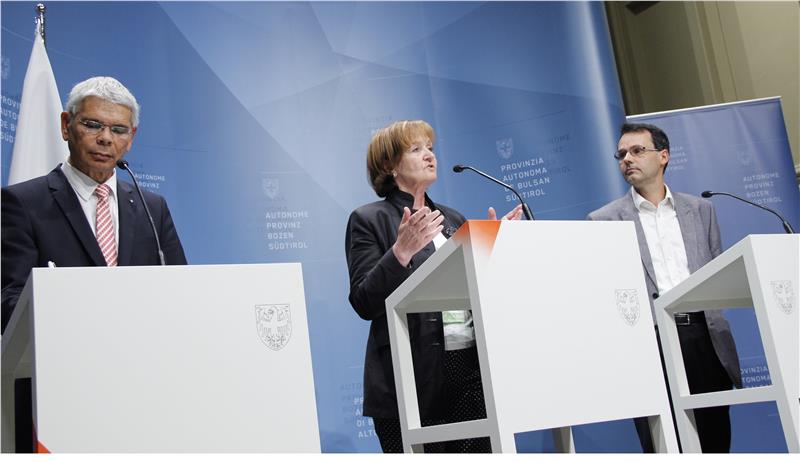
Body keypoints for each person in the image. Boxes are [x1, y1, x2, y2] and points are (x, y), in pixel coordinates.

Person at [345, 120, 522, 453]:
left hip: (469, 374)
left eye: (430, 148)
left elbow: (474, 288)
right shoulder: (369, 220)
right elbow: (364, 301)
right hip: (411, 380)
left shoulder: (452, 219)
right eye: (416, 149)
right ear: (389, 165)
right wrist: (400, 252)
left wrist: (494, 248)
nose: (429, 155)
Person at [587, 123, 742, 453]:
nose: (627, 159)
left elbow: (715, 269)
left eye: (637, 150)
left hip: (703, 338)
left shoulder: (700, 210)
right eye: (621, 154)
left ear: (664, 156)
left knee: (715, 441)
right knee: (662, 445)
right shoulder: (603, 221)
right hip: (650, 342)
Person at [2, 76, 187, 333]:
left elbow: (181, 290)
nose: (105, 138)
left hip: (142, 349)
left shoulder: (153, 208)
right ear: (66, 125)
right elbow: (10, 302)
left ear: (131, 137)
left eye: (119, 130)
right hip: (63, 350)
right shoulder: (23, 203)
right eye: (92, 125)